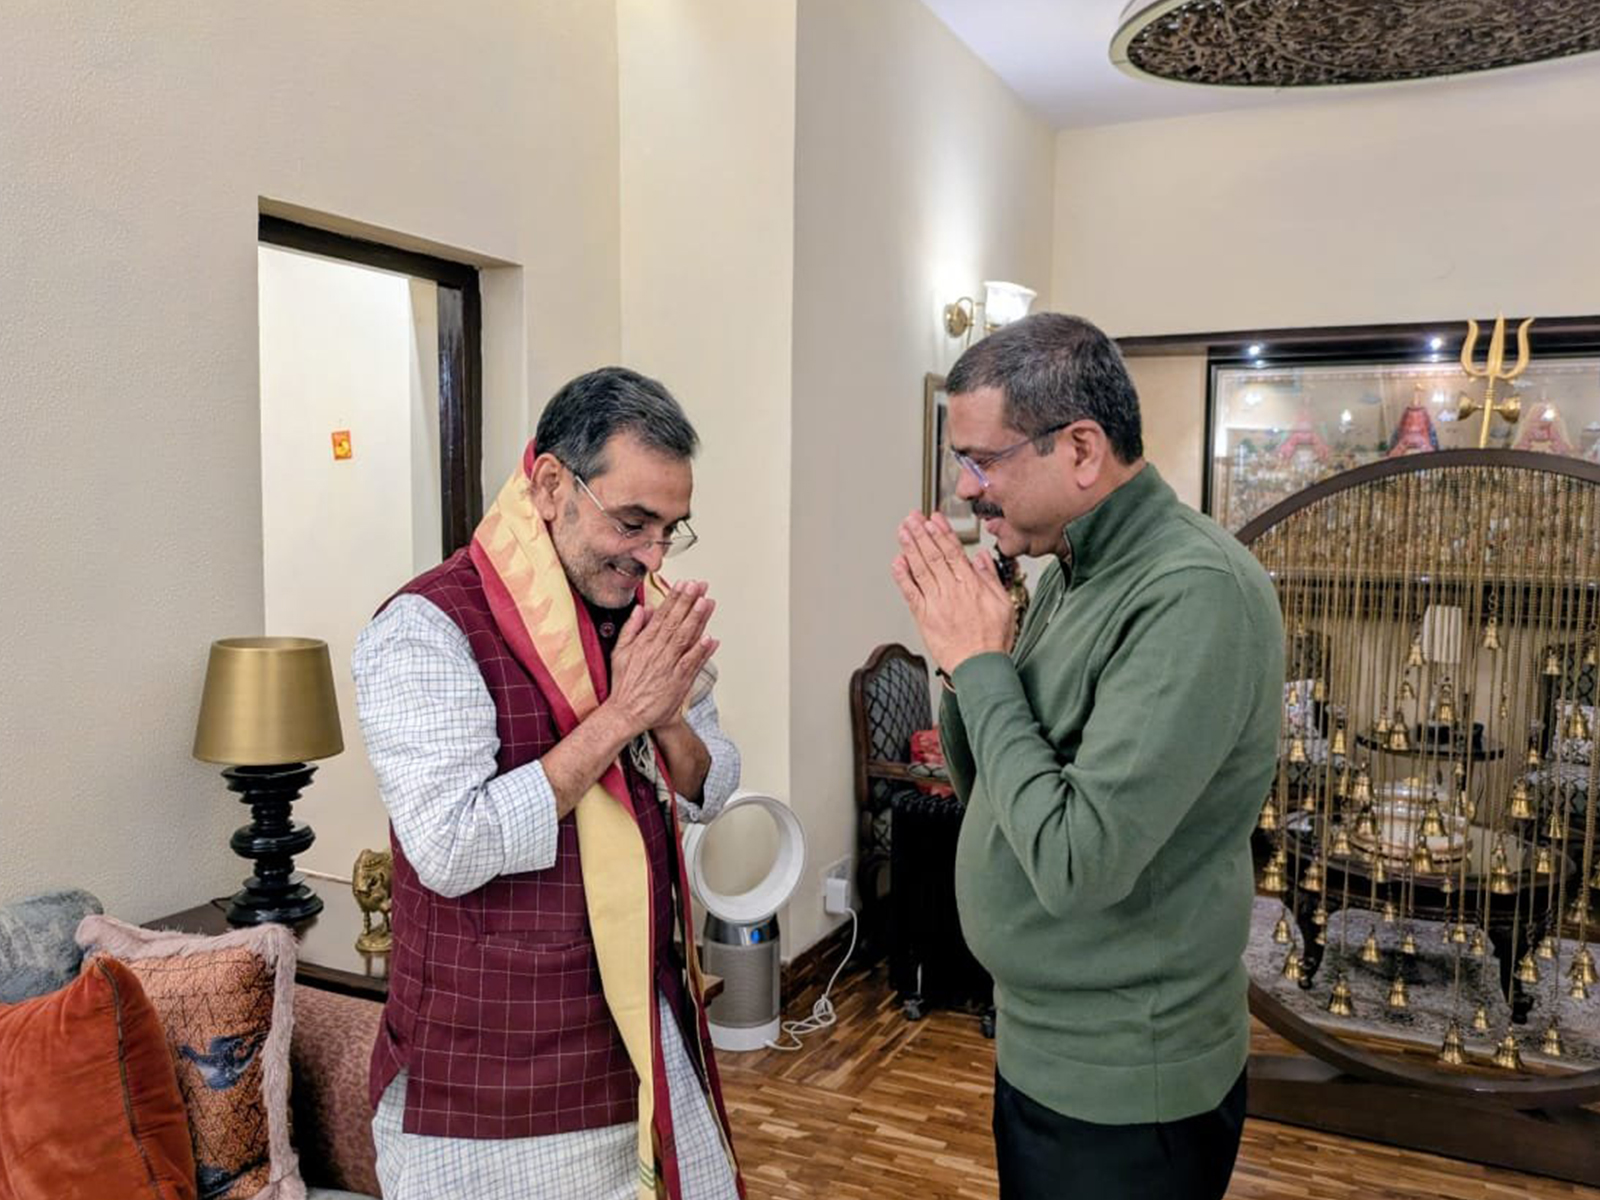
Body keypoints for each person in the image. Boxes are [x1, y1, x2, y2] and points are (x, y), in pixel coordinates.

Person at [890, 313, 1283, 1200]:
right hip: (1043, 1043)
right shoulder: (1070, 568)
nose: (965, 488)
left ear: (1079, 449)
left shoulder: (1191, 593)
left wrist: (983, 663)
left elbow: (1078, 862)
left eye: (982, 460)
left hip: (1125, 1083)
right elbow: (992, 785)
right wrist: (963, 660)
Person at [353, 366, 744, 1200]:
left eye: (673, 530)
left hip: (641, 1036)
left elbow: (710, 788)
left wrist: (666, 716)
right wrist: (618, 717)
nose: (653, 555)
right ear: (550, 485)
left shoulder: (645, 611)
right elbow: (452, 849)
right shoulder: (424, 628)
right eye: (634, 522)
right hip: (489, 1086)